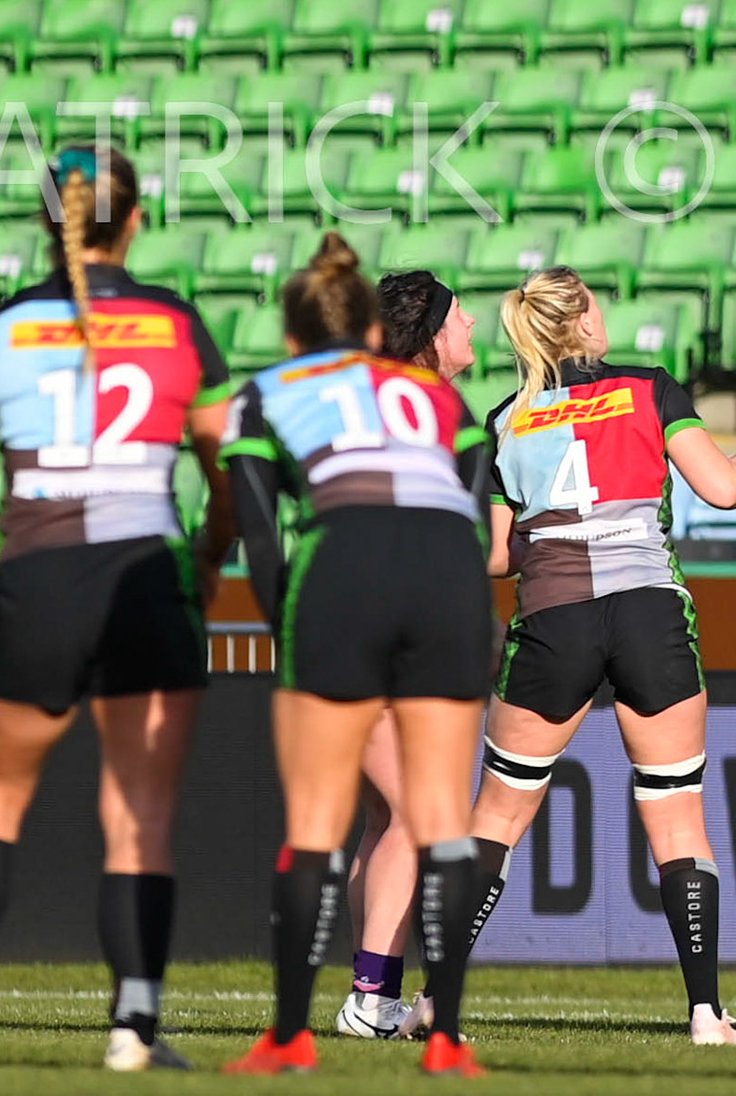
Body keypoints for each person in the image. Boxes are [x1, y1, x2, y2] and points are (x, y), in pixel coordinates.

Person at [0, 145, 233, 1072]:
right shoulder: (178, 323)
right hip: (145, 581)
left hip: (34, 580)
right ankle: (134, 1028)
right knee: (141, 811)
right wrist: (208, 556)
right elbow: (227, 475)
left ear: (47, 221)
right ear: (137, 218)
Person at [222, 237, 493, 1078]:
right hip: (447, 584)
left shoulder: (271, 390)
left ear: (294, 336)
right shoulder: (444, 402)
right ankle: (444, 1036)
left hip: (342, 571)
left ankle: (289, 1035)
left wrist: (290, 626)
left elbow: (258, 532)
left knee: (319, 822)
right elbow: (473, 515)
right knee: (438, 817)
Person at [469, 266, 736, 1046]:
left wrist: (554, 533)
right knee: (676, 815)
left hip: (552, 617)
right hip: (647, 613)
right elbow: (722, 490)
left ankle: (437, 1005)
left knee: (496, 817)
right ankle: (705, 1014)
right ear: (585, 322)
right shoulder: (649, 387)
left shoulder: (505, 417)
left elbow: (496, 556)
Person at [336, 272, 482, 1042]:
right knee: (421, 815)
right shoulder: (435, 411)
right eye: (459, 316)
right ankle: (369, 998)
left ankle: (376, 993)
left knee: (382, 818)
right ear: (429, 336)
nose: (472, 324)